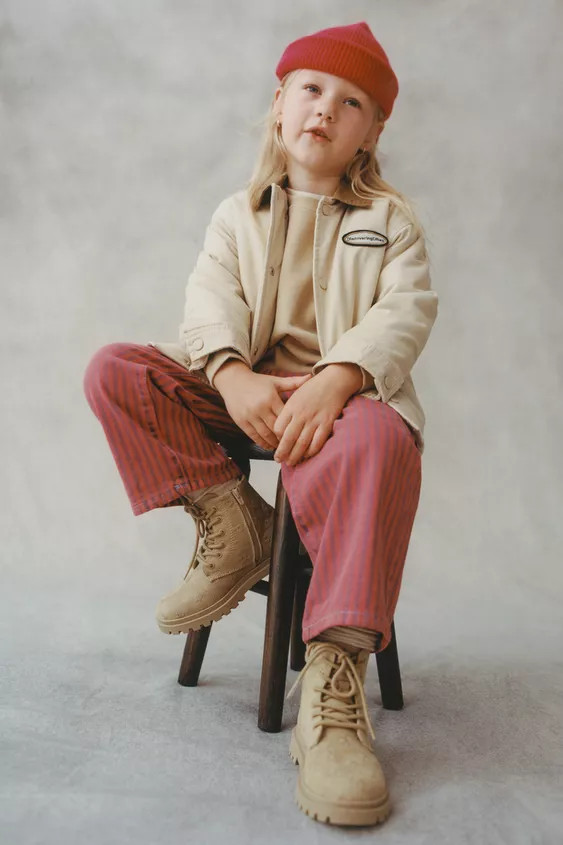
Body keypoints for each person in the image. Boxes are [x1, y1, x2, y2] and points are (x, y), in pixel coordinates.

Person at [83, 20, 438, 828]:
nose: (326, 109)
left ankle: (332, 681)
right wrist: (231, 373)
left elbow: (405, 311)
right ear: (279, 105)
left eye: (351, 103)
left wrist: (339, 377)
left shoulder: (391, 220)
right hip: (244, 390)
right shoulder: (236, 214)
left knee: (380, 436)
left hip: (341, 407)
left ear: (370, 133)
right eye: (311, 90)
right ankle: (234, 519)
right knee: (116, 368)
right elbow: (209, 300)